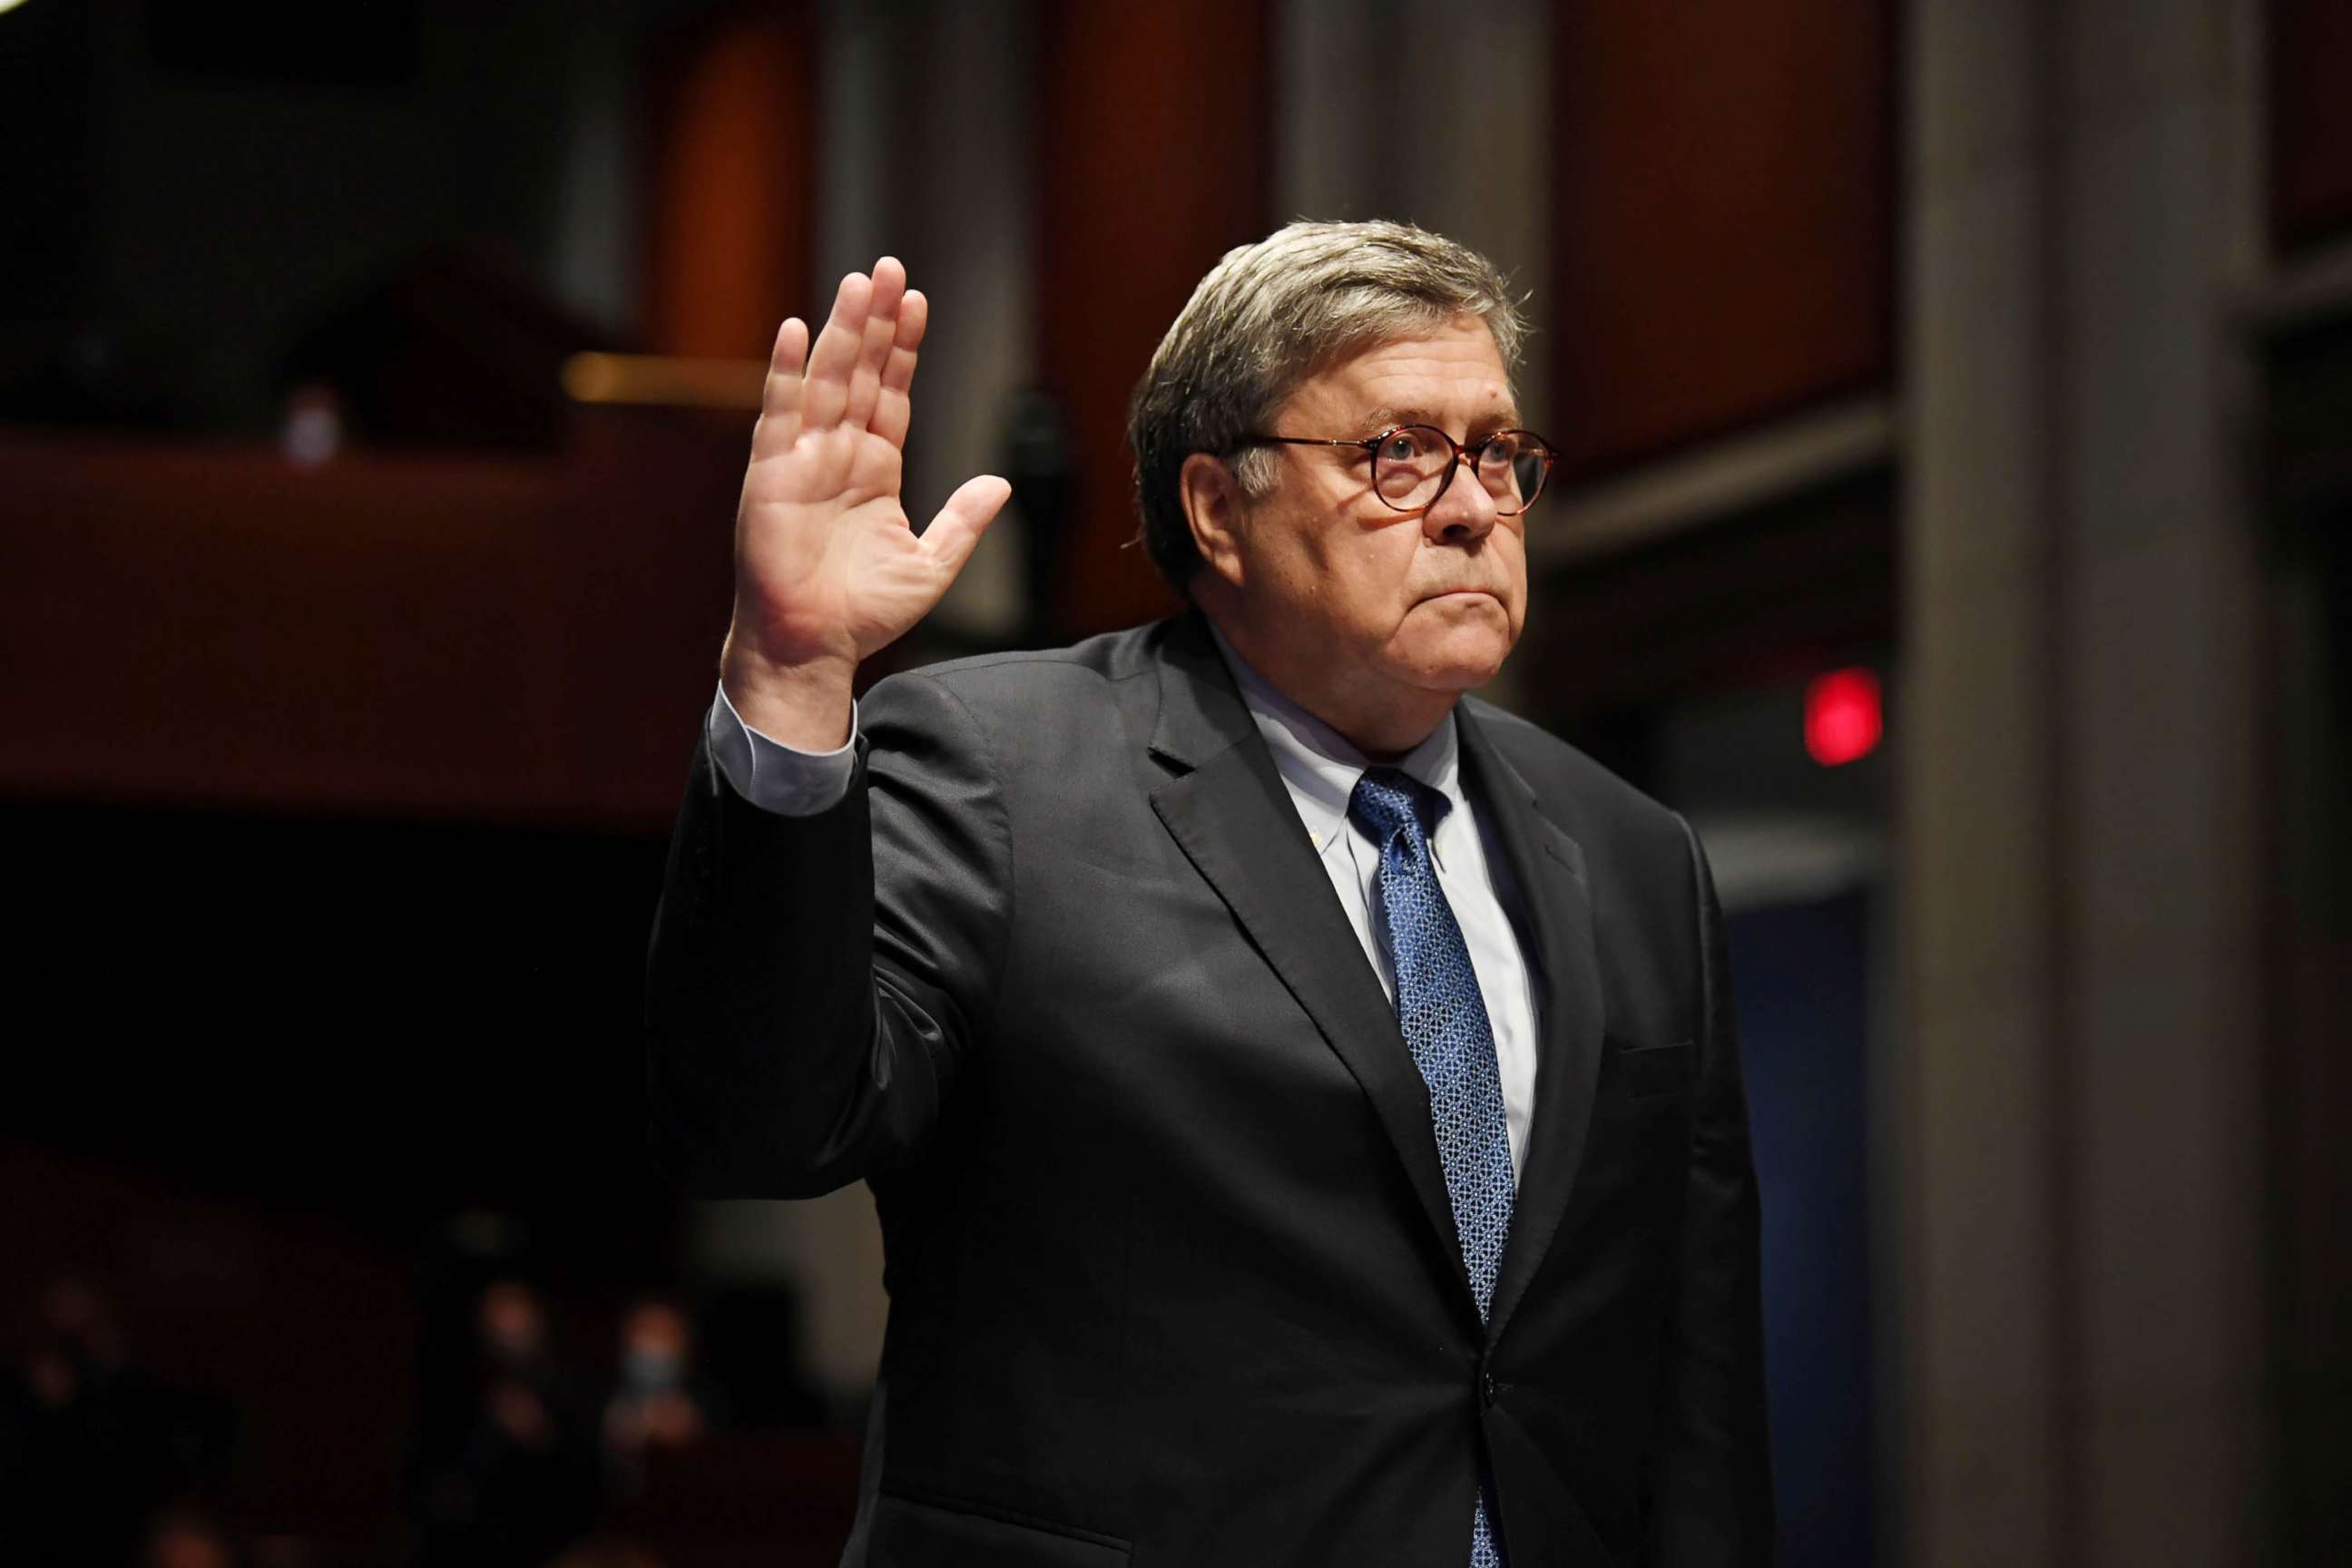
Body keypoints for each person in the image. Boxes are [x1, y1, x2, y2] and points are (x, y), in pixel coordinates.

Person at [645, 220, 1770, 1566]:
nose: (1471, 505)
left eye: (1496, 455)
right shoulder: (1007, 774)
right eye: (1394, 454)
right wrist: (786, 678)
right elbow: (761, 1123)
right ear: (1217, 509)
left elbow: (1695, 1377)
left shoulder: (1634, 853)